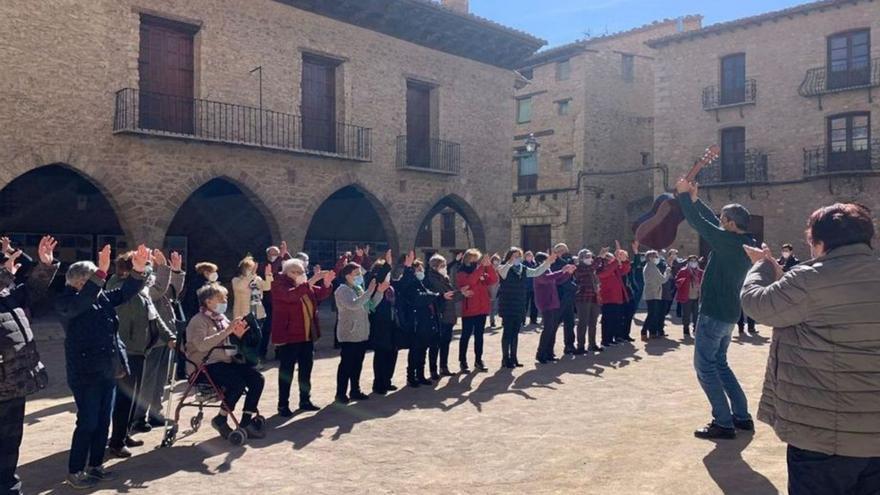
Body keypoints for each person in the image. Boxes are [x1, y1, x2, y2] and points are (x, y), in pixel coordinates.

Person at [741, 203, 880, 495]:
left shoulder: (810, 279)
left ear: (819, 243)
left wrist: (761, 266)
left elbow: (758, 303)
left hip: (824, 437)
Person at [55, 244, 149, 489]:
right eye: (93, 279)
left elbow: (125, 292)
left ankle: (96, 465)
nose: (99, 284)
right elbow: (78, 306)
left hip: (108, 370)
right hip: (86, 373)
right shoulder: (67, 301)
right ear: (78, 283)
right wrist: (100, 274)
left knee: (103, 421)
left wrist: (139, 271)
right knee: (87, 422)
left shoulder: (100, 297)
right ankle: (75, 470)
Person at [675, 178, 755, 440]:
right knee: (720, 364)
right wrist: (697, 200)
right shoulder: (743, 240)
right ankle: (741, 417)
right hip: (729, 313)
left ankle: (723, 422)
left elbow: (701, 224)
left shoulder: (727, 242)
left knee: (705, 367)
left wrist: (684, 197)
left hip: (713, 314)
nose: (720, 220)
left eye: (724, 218)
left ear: (731, 223)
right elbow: (712, 221)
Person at [0, 236, 58, 495]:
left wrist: (45, 266)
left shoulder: (6, 291)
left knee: (9, 444)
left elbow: (32, 291)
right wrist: (4, 277)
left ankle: (9, 487)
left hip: (14, 383)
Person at [106, 251, 176, 458]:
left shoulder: (140, 289)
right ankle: (116, 442)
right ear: (130, 267)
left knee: (131, 397)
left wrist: (169, 336)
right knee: (123, 398)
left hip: (139, 349)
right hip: (125, 350)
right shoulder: (117, 288)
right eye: (143, 265)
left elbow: (152, 315)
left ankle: (124, 433)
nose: (147, 269)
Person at [185, 283, 265, 440]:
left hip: (226, 361)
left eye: (225, 298)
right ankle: (221, 418)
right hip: (205, 365)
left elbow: (229, 340)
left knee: (257, 378)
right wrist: (227, 331)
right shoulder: (198, 321)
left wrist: (240, 334)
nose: (225, 301)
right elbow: (201, 345)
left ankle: (246, 421)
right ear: (208, 302)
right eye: (221, 298)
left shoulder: (221, 318)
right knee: (237, 383)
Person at [271, 256, 334, 416]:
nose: (298, 274)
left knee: (306, 370)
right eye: (294, 271)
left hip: (307, 336)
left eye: (300, 271)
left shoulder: (305, 285)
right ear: (286, 272)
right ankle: (283, 405)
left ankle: (305, 400)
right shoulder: (278, 284)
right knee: (287, 372)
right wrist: (312, 279)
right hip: (289, 336)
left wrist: (326, 283)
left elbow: (320, 294)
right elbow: (290, 296)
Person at [142, 250, 185, 427]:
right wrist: (165, 270)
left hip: (165, 334)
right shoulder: (140, 282)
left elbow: (172, 292)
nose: (152, 260)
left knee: (160, 378)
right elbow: (157, 292)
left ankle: (155, 412)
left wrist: (175, 272)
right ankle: (138, 416)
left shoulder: (157, 277)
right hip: (150, 336)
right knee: (148, 378)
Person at [334, 262, 386, 403]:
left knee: (357, 364)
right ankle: (340, 393)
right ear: (347, 275)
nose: (359, 277)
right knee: (346, 365)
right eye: (356, 274)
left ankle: (355, 390)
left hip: (362, 334)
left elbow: (370, 306)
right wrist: (369, 291)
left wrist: (379, 292)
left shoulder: (358, 289)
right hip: (349, 335)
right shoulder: (342, 290)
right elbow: (353, 305)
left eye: (360, 274)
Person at [399, 255, 454, 387]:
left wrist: (441, 297)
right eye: (418, 270)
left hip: (427, 322)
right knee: (415, 351)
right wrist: (438, 295)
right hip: (417, 323)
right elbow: (421, 298)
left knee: (423, 350)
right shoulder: (411, 285)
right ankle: (411, 377)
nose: (421, 272)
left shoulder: (424, 283)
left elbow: (433, 298)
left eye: (421, 269)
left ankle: (421, 375)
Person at [495, 247, 551, 368]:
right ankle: (505, 359)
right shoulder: (502, 267)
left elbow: (536, 272)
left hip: (519, 304)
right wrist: (509, 263)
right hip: (507, 305)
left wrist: (548, 262)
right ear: (509, 257)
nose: (518, 258)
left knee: (515, 333)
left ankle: (514, 357)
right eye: (515, 256)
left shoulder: (523, 269)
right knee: (507, 332)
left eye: (519, 256)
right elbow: (503, 275)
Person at [424, 254, 470, 378]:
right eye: (442, 265)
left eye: (444, 265)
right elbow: (446, 294)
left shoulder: (444, 278)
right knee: (436, 344)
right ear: (435, 267)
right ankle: (433, 370)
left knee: (445, 343)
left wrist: (461, 293)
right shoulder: (432, 279)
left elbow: (452, 296)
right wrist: (461, 293)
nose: (445, 268)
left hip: (449, 315)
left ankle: (443, 367)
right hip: (440, 316)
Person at [455, 249, 498, 372]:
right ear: (467, 259)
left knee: (479, 336)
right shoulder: (462, 272)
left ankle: (478, 360)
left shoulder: (480, 271)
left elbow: (493, 279)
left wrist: (488, 266)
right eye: (473, 259)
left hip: (482, 308)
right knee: (466, 336)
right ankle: (462, 361)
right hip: (469, 309)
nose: (476, 261)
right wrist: (480, 269)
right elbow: (470, 282)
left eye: (477, 259)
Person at [231, 256, 273, 366]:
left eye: (253, 268)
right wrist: (252, 275)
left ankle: (255, 360)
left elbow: (267, 287)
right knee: (246, 339)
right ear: (243, 269)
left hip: (258, 313)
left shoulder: (257, 279)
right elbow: (241, 287)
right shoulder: (236, 280)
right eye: (250, 268)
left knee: (258, 338)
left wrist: (268, 275)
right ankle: (247, 361)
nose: (253, 270)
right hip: (244, 314)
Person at [366, 254, 398, 394]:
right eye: (386, 272)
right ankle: (378, 383)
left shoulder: (390, 286)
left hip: (392, 323)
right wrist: (387, 265)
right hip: (379, 324)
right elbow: (379, 280)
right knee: (381, 354)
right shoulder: (374, 283)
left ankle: (387, 380)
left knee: (392, 353)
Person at [532, 251, 571, 363]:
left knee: (553, 328)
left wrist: (567, 273)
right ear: (541, 262)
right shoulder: (538, 271)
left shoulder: (547, 269)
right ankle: (541, 354)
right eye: (546, 260)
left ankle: (549, 352)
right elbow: (546, 279)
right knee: (548, 328)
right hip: (545, 303)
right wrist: (562, 270)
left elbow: (557, 280)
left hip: (553, 302)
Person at [598, 246, 632, 346]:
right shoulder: (602, 268)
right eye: (610, 258)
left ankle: (613, 338)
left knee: (615, 319)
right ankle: (605, 340)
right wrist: (615, 261)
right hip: (607, 298)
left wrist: (624, 260)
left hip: (617, 298)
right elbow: (604, 274)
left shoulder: (614, 267)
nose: (612, 260)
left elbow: (624, 270)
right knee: (607, 320)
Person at [572, 249, 603, 353]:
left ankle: (592, 344)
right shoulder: (578, 268)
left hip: (594, 297)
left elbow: (596, 271)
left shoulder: (592, 269)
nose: (589, 259)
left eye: (590, 256)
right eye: (586, 257)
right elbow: (590, 269)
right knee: (582, 322)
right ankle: (580, 346)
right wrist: (599, 258)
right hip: (583, 298)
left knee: (593, 322)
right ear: (581, 258)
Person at [550, 244, 578, 355]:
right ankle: (549, 348)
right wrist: (575, 287)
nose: (563, 253)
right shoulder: (555, 264)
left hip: (569, 297)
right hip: (559, 297)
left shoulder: (569, 261)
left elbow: (573, 275)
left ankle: (569, 346)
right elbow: (561, 280)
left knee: (570, 323)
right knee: (554, 324)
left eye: (564, 251)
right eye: (560, 251)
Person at [641, 250, 672, 339]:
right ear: (650, 258)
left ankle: (651, 333)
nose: (657, 258)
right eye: (655, 257)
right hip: (652, 293)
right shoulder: (652, 267)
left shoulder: (651, 266)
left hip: (653, 292)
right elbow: (662, 280)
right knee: (652, 313)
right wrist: (667, 271)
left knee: (653, 313)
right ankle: (644, 331)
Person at [258, 246, 281, 362]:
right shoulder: (263, 265)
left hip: (280, 301)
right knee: (266, 328)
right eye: (273, 254)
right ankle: (262, 353)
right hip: (268, 302)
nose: (275, 256)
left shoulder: (282, 263)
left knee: (280, 328)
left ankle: (279, 352)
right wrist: (280, 257)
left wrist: (284, 255)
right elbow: (272, 271)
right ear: (267, 255)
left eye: (277, 254)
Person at [675, 255, 703, 338]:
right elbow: (677, 281)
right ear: (688, 262)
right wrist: (681, 281)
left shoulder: (701, 272)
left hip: (697, 297)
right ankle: (686, 329)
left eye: (695, 261)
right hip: (686, 296)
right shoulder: (683, 271)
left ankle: (695, 329)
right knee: (686, 315)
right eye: (692, 261)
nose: (693, 262)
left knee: (696, 315)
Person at [523, 251, 540, 326]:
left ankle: (533, 319)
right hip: (526, 287)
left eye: (530, 256)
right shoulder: (523, 265)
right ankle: (522, 320)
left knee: (534, 304)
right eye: (528, 256)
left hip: (534, 287)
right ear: (525, 257)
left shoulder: (535, 264)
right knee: (524, 304)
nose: (529, 257)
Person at [488, 254, 501, 328]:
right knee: (492, 307)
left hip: (499, 288)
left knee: (500, 305)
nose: (496, 261)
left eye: (498, 260)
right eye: (495, 260)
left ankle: (502, 320)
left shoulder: (500, 268)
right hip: (492, 289)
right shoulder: (489, 268)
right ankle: (492, 321)